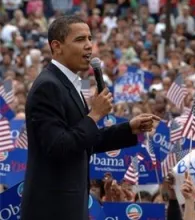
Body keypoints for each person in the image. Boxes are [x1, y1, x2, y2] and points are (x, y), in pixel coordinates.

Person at [20, 15, 160, 220]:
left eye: (89, 38)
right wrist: (94, 115)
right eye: (79, 40)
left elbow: (85, 140)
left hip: (71, 207)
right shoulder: (48, 87)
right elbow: (59, 145)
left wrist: (129, 128)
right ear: (57, 46)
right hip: (52, 209)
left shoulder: (67, 84)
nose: (88, 46)